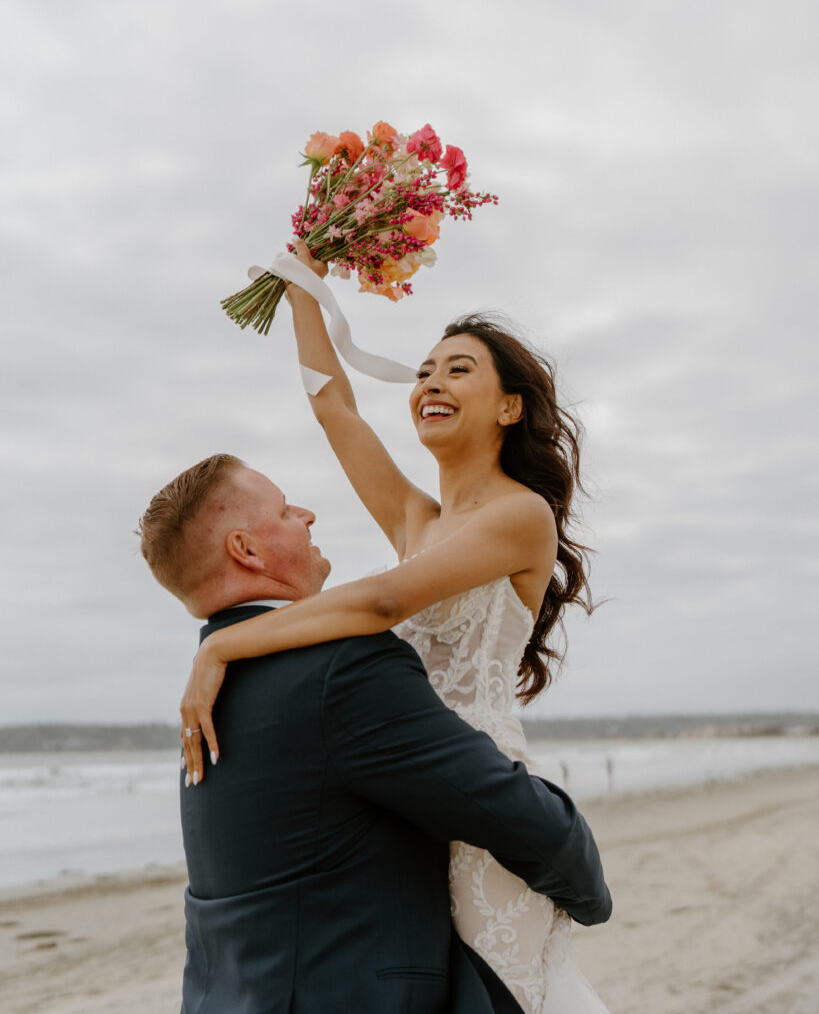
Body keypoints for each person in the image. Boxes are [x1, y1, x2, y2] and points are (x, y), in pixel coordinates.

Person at [179, 244, 612, 1012]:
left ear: (509, 407)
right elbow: (332, 406)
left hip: (479, 797)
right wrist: (302, 284)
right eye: (422, 371)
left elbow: (381, 604)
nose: (430, 383)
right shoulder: (418, 518)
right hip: (399, 800)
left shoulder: (520, 515)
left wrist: (225, 643)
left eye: (457, 369)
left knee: (500, 997)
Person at [138, 456, 612, 1014]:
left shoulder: (213, 685)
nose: (308, 516)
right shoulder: (339, 668)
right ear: (246, 550)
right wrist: (589, 893)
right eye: (287, 510)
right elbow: (505, 808)